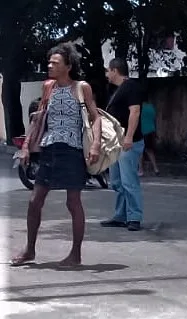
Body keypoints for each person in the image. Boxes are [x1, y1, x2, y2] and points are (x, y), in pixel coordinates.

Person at [11, 42, 102, 267]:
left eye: (55, 62)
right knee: (35, 201)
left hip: (72, 150)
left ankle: (75, 255)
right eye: (50, 61)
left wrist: (95, 145)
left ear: (68, 66)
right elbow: (39, 118)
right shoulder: (48, 87)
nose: (50, 64)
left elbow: (95, 117)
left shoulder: (81, 87)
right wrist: (26, 146)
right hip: (49, 148)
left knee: (73, 202)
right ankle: (29, 250)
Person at [99, 58, 146, 232]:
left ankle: (134, 216)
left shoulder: (131, 87)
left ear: (115, 70)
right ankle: (121, 215)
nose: (106, 75)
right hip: (116, 143)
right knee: (117, 182)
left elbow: (135, 112)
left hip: (127, 143)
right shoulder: (118, 90)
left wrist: (129, 137)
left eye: (108, 71)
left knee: (129, 181)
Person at [139, 100, 160, 176]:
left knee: (140, 151)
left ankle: (141, 170)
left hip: (143, 131)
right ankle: (156, 168)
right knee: (150, 150)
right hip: (151, 130)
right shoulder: (151, 107)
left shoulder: (139, 107)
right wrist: (155, 132)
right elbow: (154, 120)